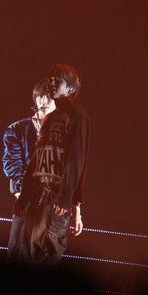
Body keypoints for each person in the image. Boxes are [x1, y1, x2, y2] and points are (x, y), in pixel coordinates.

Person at [8, 64, 88, 266]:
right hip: (37, 193)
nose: (51, 84)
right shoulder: (50, 118)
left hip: (55, 195)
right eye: (50, 80)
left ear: (70, 87)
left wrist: (67, 197)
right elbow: (36, 158)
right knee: (26, 251)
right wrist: (24, 196)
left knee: (45, 254)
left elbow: (76, 158)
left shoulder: (76, 114)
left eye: (57, 80)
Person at [1, 79, 56, 199]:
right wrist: (24, 191)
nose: (44, 101)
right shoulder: (17, 129)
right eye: (40, 96)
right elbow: (12, 163)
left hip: (54, 196)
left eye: (49, 97)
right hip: (25, 193)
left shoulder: (62, 131)